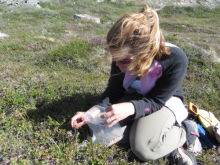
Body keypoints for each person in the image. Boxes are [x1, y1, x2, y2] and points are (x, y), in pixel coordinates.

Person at [71, 6, 198, 165]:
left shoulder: (175, 59)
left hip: (164, 101)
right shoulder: (122, 54)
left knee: (143, 149)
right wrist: (93, 111)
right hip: (134, 95)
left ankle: (185, 131)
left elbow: (157, 101)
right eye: (114, 57)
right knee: (101, 133)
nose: (117, 63)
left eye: (123, 60)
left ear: (144, 51)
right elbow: (114, 89)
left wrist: (131, 108)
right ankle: (140, 132)